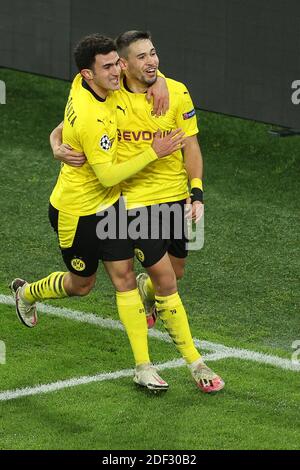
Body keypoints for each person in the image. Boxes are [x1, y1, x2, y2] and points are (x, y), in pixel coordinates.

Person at [51, 31, 225, 394]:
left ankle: (150, 297)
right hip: (132, 202)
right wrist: (57, 144)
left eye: (154, 54)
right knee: (164, 280)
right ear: (123, 65)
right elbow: (77, 122)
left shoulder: (175, 91)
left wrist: (196, 193)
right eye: (140, 58)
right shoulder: (109, 95)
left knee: (174, 272)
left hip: (174, 197)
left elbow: (191, 145)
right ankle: (193, 361)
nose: (152, 62)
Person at [10, 34, 185, 392]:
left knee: (124, 279)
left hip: (110, 208)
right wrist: (155, 151)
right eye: (107, 67)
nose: (117, 71)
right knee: (81, 286)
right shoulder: (94, 118)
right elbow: (107, 175)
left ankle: (143, 367)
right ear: (88, 74)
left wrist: (55, 141)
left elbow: (62, 126)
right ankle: (27, 294)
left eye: (116, 63)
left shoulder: (84, 83)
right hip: (76, 214)